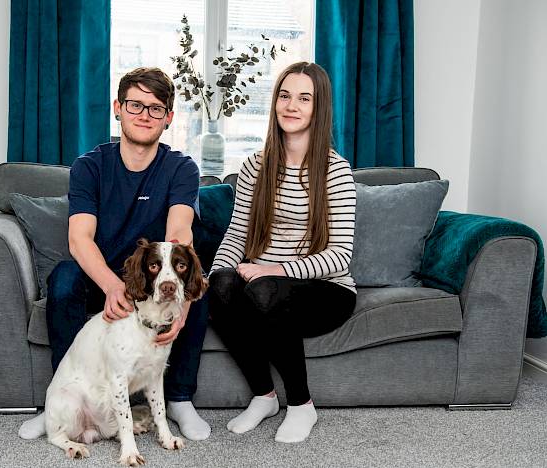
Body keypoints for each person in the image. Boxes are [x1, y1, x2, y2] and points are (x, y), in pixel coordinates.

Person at [18, 67, 211, 441]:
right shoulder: (90, 166)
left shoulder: (181, 168)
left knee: (196, 287)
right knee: (63, 278)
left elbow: (178, 234)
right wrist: (110, 286)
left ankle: (180, 399)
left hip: (153, 281)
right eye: (135, 104)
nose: (144, 115)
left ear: (169, 118)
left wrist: (181, 303)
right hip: (100, 279)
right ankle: (61, 398)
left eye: (156, 109)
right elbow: (80, 240)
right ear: (117, 108)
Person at [208, 62, 357, 443]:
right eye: (285, 95)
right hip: (265, 285)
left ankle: (302, 405)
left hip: (326, 291)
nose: (291, 105)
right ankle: (264, 396)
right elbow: (236, 235)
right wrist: (216, 277)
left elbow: (340, 256)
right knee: (220, 285)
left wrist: (277, 268)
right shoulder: (255, 166)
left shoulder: (335, 170)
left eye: (304, 98)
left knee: (266, 288)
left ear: (318, 108)